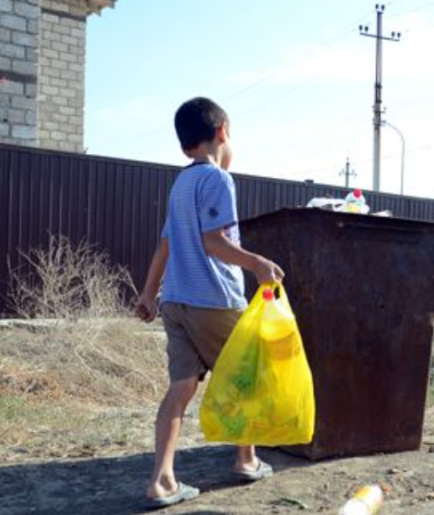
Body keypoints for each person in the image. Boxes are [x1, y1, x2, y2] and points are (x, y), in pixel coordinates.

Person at [134, 97, 284, 509]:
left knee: (181, 386)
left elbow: (165, 245)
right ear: (221, 133)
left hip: (176, 301)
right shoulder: (217, 180)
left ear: (185, 146)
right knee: (246, 376)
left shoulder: (180, 184)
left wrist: (148, 293)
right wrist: (258, 264)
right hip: (213, 299)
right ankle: (246, 459)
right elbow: (214, 242)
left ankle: (162, 481)